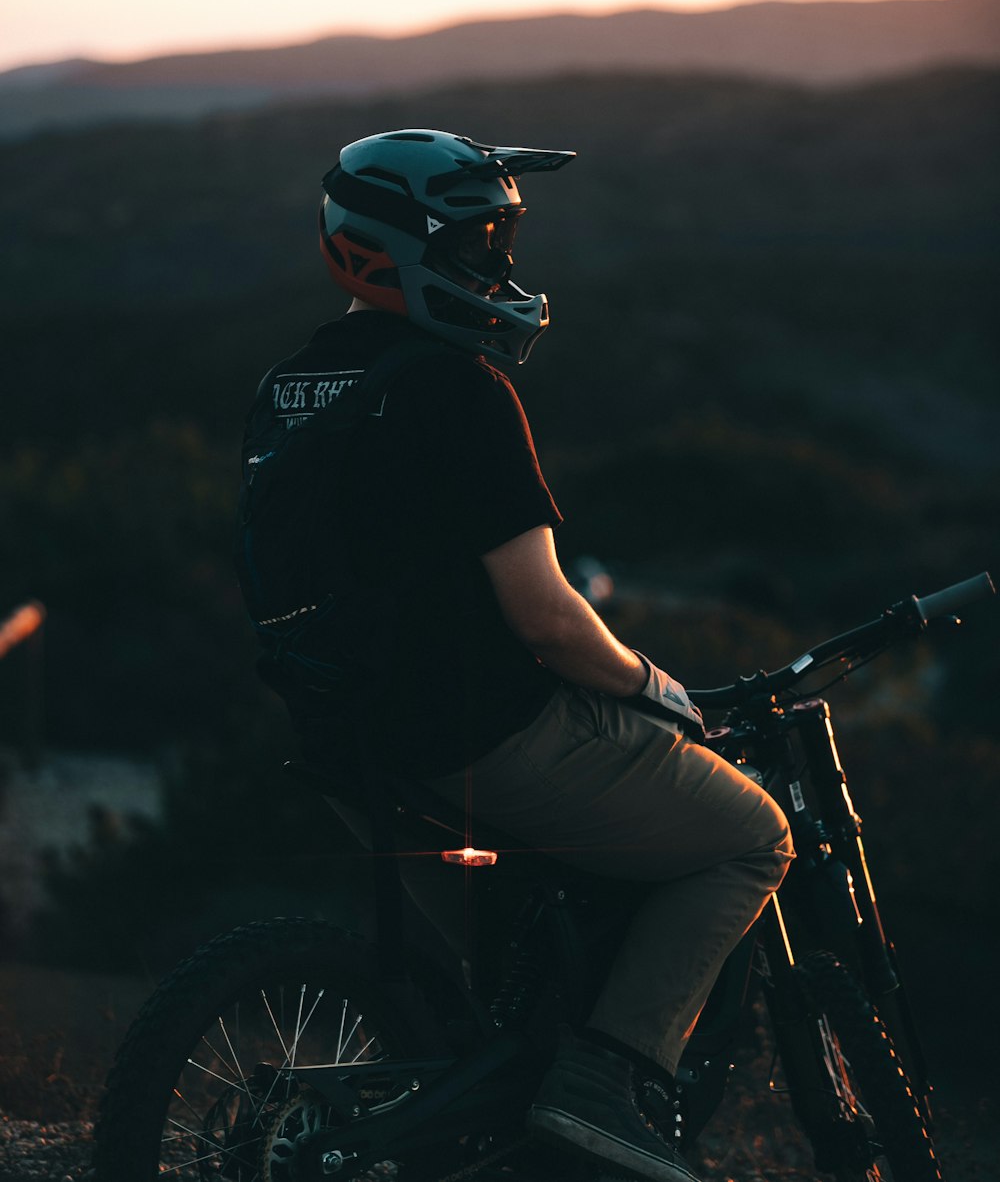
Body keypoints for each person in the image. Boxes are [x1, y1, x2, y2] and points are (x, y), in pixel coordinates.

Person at [235, 129, 794, 1182]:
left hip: (348, 741)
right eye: (478, 244)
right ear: (403, 249)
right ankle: (604, 1079)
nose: (497, 268)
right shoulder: (458, 387)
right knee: (750, 837)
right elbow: (543, 613)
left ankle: (497, 1113)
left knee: (507, 977)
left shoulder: (289, 388)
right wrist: (651, 685)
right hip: (481, 732)